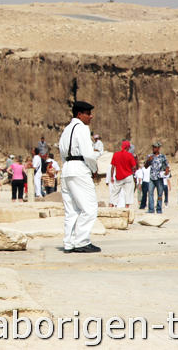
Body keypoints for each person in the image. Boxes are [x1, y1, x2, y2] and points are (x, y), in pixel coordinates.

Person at [59, 101, 102, 253]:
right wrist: (94, 168)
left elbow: (62, 152)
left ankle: (69, 242)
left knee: (71, 209)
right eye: (88, 113)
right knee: (89, 207)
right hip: (79, 169)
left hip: (66, 169)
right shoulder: (83, 128)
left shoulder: (66, 130)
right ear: (79, 114)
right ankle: (82, 241)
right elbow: (88, 154)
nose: (91, 116)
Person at [110, 140, 137, 208]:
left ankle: (112, 205)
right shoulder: (130, 155)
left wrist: (111, 177)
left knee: (115, 192)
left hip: (119, 177)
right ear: (128, 147)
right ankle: (127, 206)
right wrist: (133, 172)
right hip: (128, 176)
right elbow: (134, 167)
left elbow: (113, 167)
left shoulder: (116, 154)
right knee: (128, 192)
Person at [145, 142, 169, 214]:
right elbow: (145, 166)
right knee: (150, 194)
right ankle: (151, 209)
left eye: (155, 147)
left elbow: (167, 166)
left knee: (160, 194)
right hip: (152, 178)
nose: (153, 149)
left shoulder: (162, 157)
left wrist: (167, 171)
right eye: (153, 147)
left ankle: (159, 209)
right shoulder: (150, 156)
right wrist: (149, 160)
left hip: (159, 178)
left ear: (158, 148)